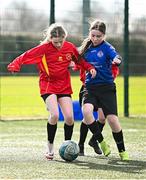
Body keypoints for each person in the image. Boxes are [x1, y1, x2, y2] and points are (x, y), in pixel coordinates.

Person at [7, 23, 96, 160]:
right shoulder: (43, 48)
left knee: (69, 118)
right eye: (55, 42)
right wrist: (15, 64)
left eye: (61, 41)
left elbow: (80, 60)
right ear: (50, 39)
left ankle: (67, 146)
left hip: (64, 86)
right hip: (47, 85)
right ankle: (49, 148)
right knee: (54, 115)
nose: (59, 44)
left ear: (64, 38)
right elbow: (26, 55)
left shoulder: (70, 47)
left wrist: (89, 67)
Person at [78, 19, 129, 161]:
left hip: (107, 88)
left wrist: (117, 60)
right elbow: (77, 60)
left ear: (104, 36)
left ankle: (122, 151)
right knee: (86, 112)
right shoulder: (85, 49)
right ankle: (101, 142)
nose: (95, 39)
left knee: (111, 120)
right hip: (90, 87)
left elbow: (116, 56)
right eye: (92, 35)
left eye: (98, 36)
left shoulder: (107, 48)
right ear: (89, 34)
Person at [74, 63, 119, 156]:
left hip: (103, 90)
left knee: (102, 118)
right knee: (87, 117)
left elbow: (114, 71)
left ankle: (94, 141)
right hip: (88, 89)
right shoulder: (86, 55)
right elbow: (76, 65)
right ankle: (81, 145)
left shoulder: (107, 54)